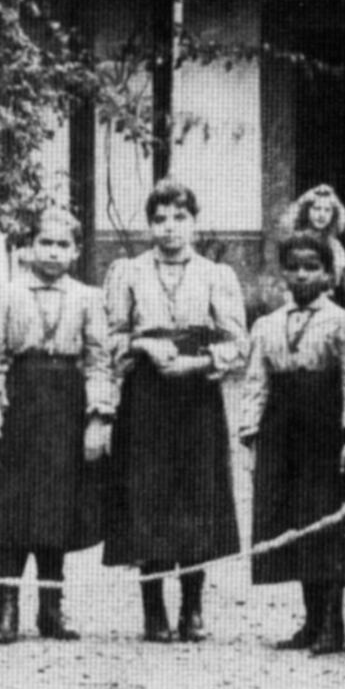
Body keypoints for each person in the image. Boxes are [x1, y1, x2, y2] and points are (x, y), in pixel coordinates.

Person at [98, 180, 248, 644]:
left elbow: (239, 343)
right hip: (147, 396)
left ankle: (193, 607)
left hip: (197, 395)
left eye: (179, 218)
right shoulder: (129, 272)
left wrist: (200, 362)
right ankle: (153, 609)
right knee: (149, 497)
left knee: (196, 497)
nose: (169, 229)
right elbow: (111, 337)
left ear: (195, 223)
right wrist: (144, 344)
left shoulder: (216, 275)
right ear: (149, 225)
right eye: (160, 219)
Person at [0, 206, 114, 644]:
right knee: (14, 503)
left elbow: (99, 360)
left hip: (66, 404)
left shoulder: (88, 297)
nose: (52, 253)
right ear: (28, 247)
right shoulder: (7, 293)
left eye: (62, 245)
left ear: (75, 251)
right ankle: (7, 607)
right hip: (22, 399)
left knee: (57, 504)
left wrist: (97, 418)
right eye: (45, 243)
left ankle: (51, 609)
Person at [241, 235, 345, 656]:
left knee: (322, 517)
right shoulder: (267, 324)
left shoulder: (344, 322)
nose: (301, 274)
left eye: (312, 266)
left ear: (330, 274)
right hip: (281, 429)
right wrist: (251, 436)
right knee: (290, 518)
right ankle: (310, 620)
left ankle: (333, 621)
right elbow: (256, 382)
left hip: (322, 427)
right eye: (293, 266)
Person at [274, 184, 345, 312]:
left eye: (327, 210)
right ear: (306, 210)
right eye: (316, 209)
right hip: (295, 303)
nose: (321, 215)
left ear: (334, 214)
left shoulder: (335, 246)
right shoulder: (293, 242)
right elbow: (282, 277)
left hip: (327, 306)